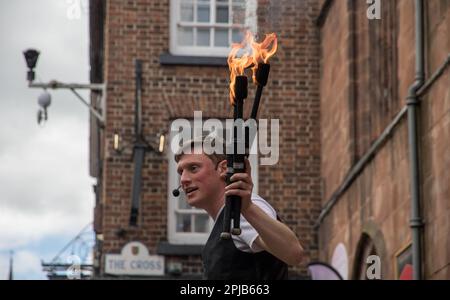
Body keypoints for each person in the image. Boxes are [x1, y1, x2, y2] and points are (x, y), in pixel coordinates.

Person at [174, 135, 304, 280]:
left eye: (193, 168)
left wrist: (248, 208)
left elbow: (293, 253)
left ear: (223, 168)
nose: (183, 179)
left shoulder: (242, 211)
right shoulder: (227, 215)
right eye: (181, 172)